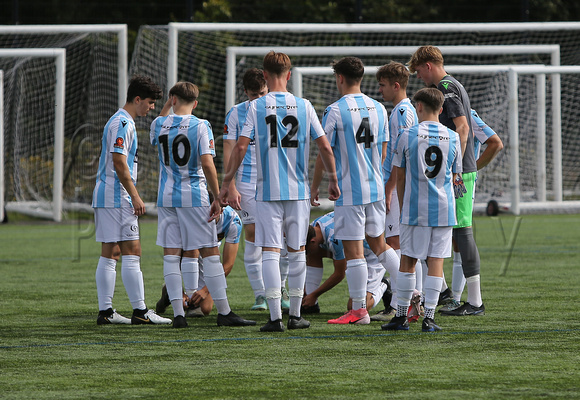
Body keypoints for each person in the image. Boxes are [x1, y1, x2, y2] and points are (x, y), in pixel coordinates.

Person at [219, 51, 340, 332]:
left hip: (267, 191)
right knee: (296, 252)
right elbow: (324, 146)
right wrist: (332, 180)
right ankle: (295, 316)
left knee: (270, 252)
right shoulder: (304, 105)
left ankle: (274, 318)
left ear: (264, 75)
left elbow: (239, 147)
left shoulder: (256, 107)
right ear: (288, 74)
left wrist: (227, 183)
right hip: (297, 191)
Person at [150, 81, 255, 328]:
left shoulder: (158, 124)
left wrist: (169, 101)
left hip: (166, 197)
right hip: (194, 196)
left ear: (172, 99)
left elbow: (163, 117)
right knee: (210, 252)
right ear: (195, 103)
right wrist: (218, 196)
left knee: (171, 253)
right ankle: (225, 312)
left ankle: (178, 314)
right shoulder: (201, 125)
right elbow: (207, 164)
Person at [311, 56, 400, 325]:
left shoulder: (335, 110)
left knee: (354, 253)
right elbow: (384, 150)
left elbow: (324, 151)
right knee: (379, 245)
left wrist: (318, 185)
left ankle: (360, 311)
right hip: (374, 188)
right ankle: (412, 292)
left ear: (340, 78)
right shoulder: (378, 108)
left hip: (350, 192)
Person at [408, 45, 485, 316]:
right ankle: (450, 294)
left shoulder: (446, 87)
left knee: (463, 232)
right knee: (456, 232)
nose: (418, 77)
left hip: (460, 170)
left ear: (428, 65)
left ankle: (475, 302)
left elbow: (463, 127)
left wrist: (456, 169)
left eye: (418, 71)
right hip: (461, 168)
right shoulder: (453, 84)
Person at [382, 87, 463, 332]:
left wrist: (405, 204)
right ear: (441, 109)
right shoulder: (453, 136)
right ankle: (429, 318)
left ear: (418, 107)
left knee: (408, 260)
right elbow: (456, 177)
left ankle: (401, 316)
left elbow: (400, 175)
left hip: (416, 208)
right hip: (445, 209)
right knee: (436, 262)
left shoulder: (408, 135)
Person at [92, 75, 171, 325]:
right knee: (131, 251)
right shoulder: (123, 123)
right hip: (116, 196)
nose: (151, 107)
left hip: (110, 195)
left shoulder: (122, 121)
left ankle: (106, 312)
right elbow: (118, 162)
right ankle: (140, 311)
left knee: (111, 252)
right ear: (137, 99)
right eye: (149, 102)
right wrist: (135, 195)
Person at [223, 68, 290, 312]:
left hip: (276, 181)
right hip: (248, 183)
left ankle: (280, 288)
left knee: (281, 236)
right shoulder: (236, 113)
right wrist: (230, 185)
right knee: (252, 235)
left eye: (262, 93)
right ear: (245, 93)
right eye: (253, 95)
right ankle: (261, 295)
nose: (258, 99)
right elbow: (230, 149)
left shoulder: (280, 108)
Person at [440, 109, 503, 311]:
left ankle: (455, 298)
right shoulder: (435, 111)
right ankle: (444, 294)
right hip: (439, 184)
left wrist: (472, 168)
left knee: (458, 238)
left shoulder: (468, 115)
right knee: (440, 237)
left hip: (459, 184)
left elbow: (495, 143)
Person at [371, 61, 419, 322]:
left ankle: (411, 299)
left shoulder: (401, 113)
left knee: (395, 245)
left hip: (399, 187)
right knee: (404, 246)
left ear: (396, 85)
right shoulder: (407, 110)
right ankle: (409, 301)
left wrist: (389, 189)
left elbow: (400, 156)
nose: (380, 90)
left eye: (382, 85)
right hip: (405, 186)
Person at [155, 205, 242, 318]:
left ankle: (171, 293)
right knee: (192, 251)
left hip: (209, 258)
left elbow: (228, 265)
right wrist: (179, 291)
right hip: (190, 255)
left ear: (220, 209)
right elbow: (176, 255)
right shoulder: (190, 216)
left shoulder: (232, 221)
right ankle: (171, 290)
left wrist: (205, 290)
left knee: (204, 309)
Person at [304, 211, 391, 315]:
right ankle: (309, 304)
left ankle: (385, 284)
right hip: (358, 252)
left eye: (304, 249)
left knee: (355, 307)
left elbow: (339, 274)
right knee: (313, 252)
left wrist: (314, 294)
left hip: (373, 257)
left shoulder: (335, 238)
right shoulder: (314, 226)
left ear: (312, 240)